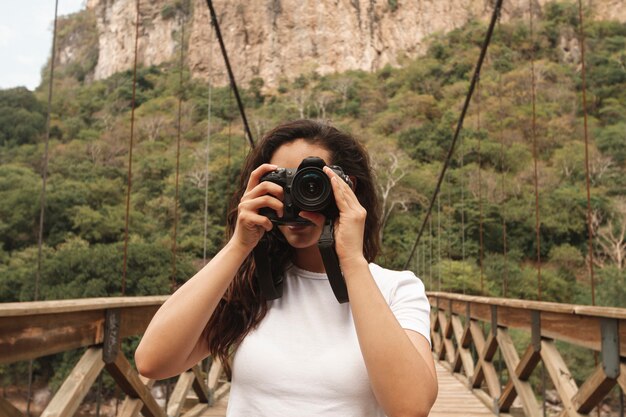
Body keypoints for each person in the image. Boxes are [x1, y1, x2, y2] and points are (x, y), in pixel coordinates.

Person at [135, 119, 438, 417]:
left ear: (347, 187)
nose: (296, 198)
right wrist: (239, 245)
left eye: (312, 183)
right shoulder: (252, 286)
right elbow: (153, 362)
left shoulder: (397, 289)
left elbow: (410, 408)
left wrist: (352, 260)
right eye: (282, 184)